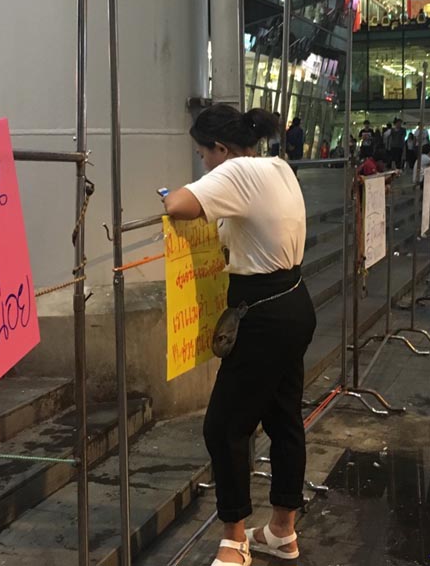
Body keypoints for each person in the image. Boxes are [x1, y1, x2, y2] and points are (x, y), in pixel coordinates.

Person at [162, 104, 316, 565]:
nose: (202, 162)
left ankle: (234, 543)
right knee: (284, 420)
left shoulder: (237, 172)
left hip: (263, 313)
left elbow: (178, 204)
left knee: (224, 427)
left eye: (202, 153)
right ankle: (282, 532)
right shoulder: (277, 167)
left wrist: (169, 194)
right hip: (293, 302)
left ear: (222, 149)